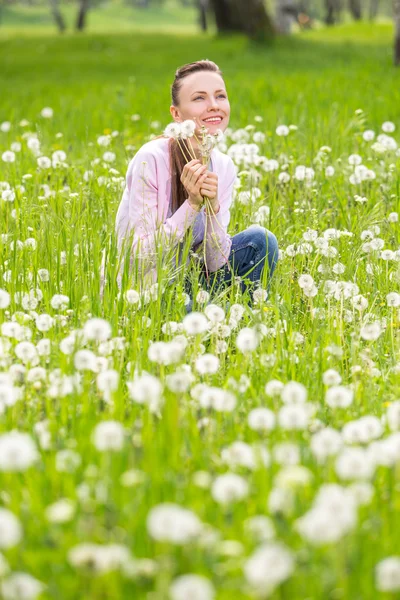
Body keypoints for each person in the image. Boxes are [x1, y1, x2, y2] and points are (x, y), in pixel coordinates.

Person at [115, 59, 279, 308]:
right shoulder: (152, 159)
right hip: (149, 286)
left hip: (195, 279)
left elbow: (215, 262)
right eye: (199, 98)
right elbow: (141, 259)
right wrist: (191, 205)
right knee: (188, 310)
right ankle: (222, 316)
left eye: (220, 96)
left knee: (262, 241)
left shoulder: (223, 166)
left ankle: (232, 314)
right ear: (176, 114)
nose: (214, 106)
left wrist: (212, 209)